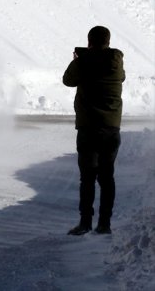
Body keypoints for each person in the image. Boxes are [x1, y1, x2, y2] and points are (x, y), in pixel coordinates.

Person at [63, 26, 125, 235]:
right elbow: (121, 76)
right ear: (108, 41)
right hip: (111, 129)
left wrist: (77, 59)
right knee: (107, 178)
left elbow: (67, 80)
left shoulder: (83, 62)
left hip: (88, 128)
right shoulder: (116, 64)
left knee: (87, 178)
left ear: (89, 41)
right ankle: (104, 224)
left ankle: (85, 222)